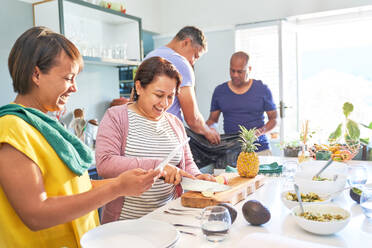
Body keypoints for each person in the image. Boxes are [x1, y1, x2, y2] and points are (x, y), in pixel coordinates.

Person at [0, 26, 160, 248]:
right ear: (36, 74)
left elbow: (75, 188)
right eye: (68, 78)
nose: (74, 88)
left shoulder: (46, 125)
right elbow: (36, 214)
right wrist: (117, 188)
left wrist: (122, 183)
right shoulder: (11, 129)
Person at [95, 56, 215, 223]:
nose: (164, 103)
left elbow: (186, 163)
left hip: (169, 220)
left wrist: (196, 177)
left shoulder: (175, 124)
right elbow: (105, 164)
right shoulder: (116, 117)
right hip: (125, 223)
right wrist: (159, 167)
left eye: (170, 96)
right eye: (159, 95)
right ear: (139, 87)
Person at [145, 26, 220, 144]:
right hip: (168, 140)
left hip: (144, 137)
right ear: (186, 42)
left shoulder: (149, 57)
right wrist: (208, 132)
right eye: (195, 56)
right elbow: (192, 119)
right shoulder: (180, 63)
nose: (192, 62)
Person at [206, 51, 278, 155]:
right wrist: (210, 129)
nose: (235, 75)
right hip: (231, 150)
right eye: (232, 71)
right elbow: (212, 120)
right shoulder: (220, 91)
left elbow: (274, 119)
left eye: (240, 72)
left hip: (260, 150)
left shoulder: (262, 89)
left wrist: (260, 132)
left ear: (249, 69)